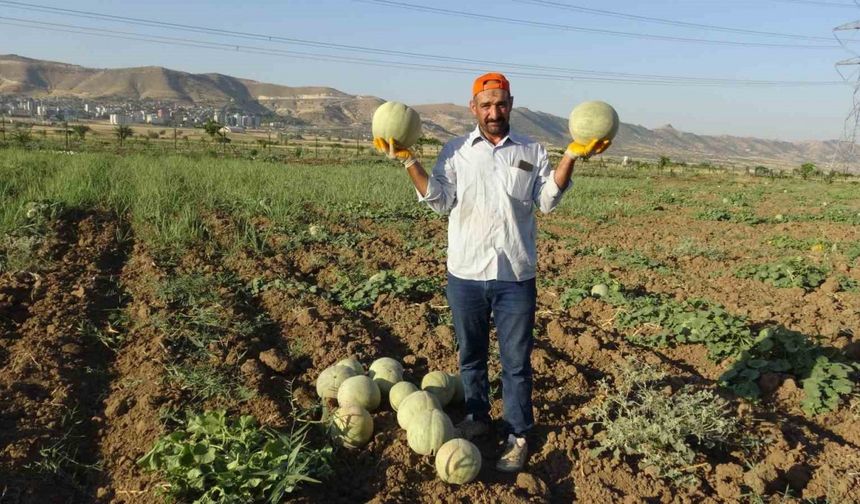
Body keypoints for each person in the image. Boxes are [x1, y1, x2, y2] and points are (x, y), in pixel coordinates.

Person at [373, 72, 610, 472]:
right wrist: (409, 160)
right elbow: (439, 201)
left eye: (500, 104)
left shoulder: (532, 151)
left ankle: (518, 434)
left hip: (515, 275)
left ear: (511, 104)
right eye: (486, 105)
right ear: (474, 108)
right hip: (465, 273)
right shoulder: (456, 151)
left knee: (516, 363)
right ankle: (478, 419)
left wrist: (571, 156)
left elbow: (547, 201)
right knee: (472, 356)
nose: (494, 111)